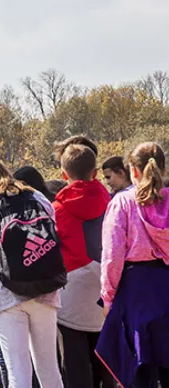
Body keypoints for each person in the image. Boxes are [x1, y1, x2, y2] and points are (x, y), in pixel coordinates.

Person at [0, 159, 63, 388]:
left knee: (17, 374)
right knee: (50, 369)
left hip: (6, 297)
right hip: (45, 290)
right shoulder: (38, 198)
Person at [97, 142, 169, 388]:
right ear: (163, 168)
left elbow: (112, 256)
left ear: (133, 171)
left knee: (139, 371)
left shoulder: (122, 202)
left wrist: (108, 298)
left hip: (135, 292)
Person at [52, 144, 111, 388]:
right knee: (106, 362)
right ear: (95, 173)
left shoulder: (54, 210)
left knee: (74, 366)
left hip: (70, 293)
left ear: (64, 175)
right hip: (105, 290)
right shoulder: (114, 204)